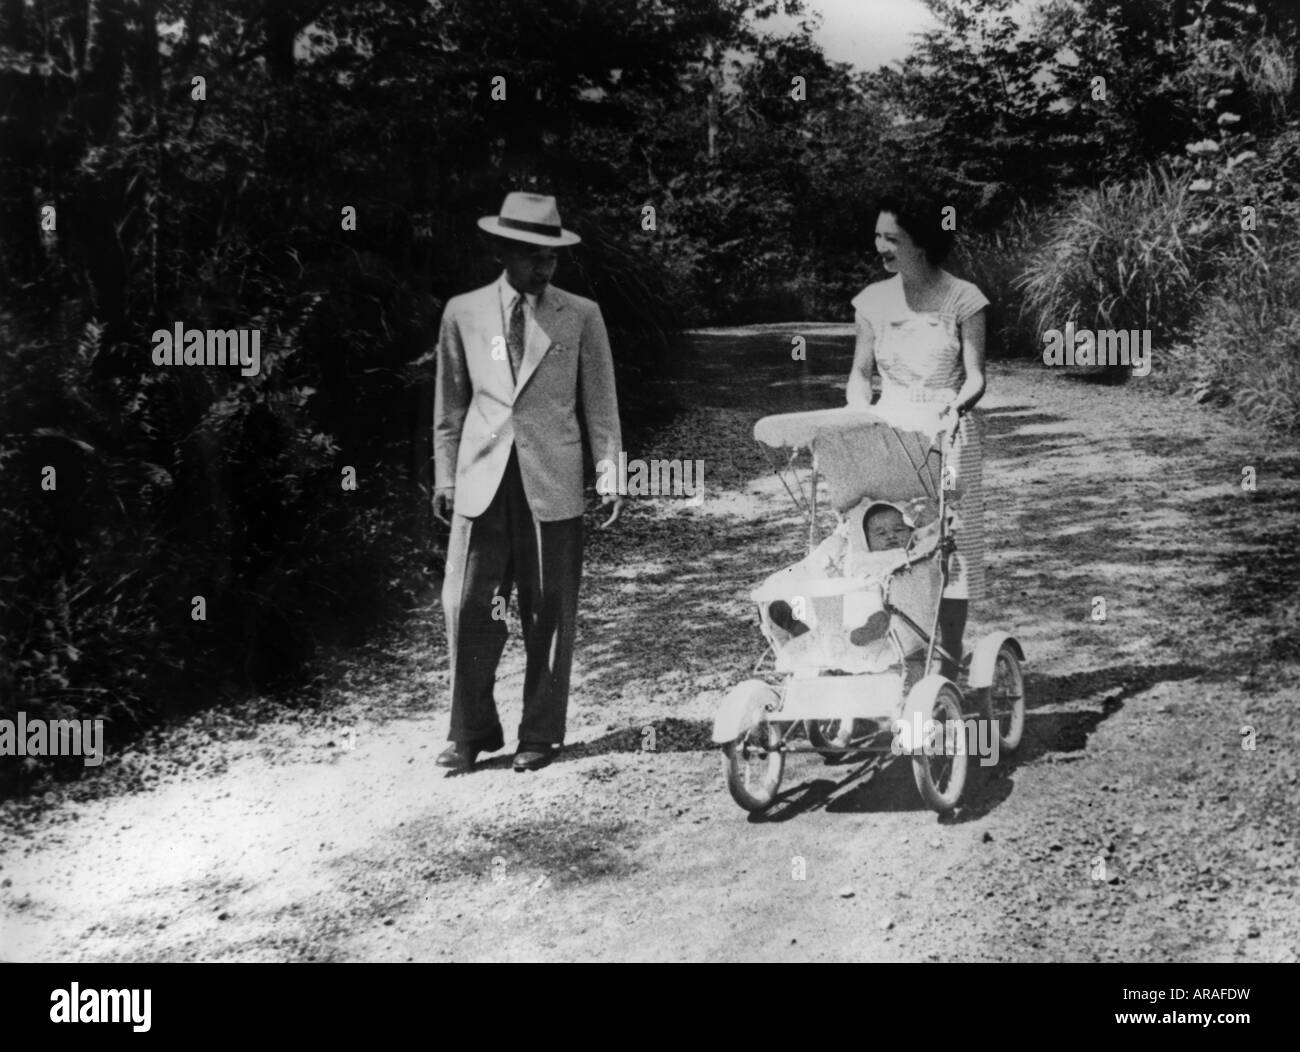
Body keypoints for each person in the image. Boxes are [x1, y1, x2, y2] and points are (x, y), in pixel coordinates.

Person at [432, 192, 625, 773]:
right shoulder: (461, 312)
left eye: (553, 257)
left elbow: (601, 402)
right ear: (503, 251)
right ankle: (469, 732)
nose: (543, 268)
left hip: (552, 479)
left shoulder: (581, 314)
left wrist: (610, 472)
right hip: (481, 482)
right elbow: (449, 407)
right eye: (532, 256)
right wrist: (444, 477)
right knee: (467, 607)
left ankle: (540, 732)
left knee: (550, 610)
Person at [846, 190, 990, 679]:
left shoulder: (964, 298)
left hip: (948, 432)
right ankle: (891, 652)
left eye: (892, 239)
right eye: (878, 237)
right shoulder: (870, 301)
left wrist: (956, 405)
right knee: (886, 540)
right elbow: (861, 372)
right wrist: (856, 411)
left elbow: (975, 376)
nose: (880, 247)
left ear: (922, 243)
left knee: (950, 549)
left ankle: (946, 659)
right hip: (890, 432)